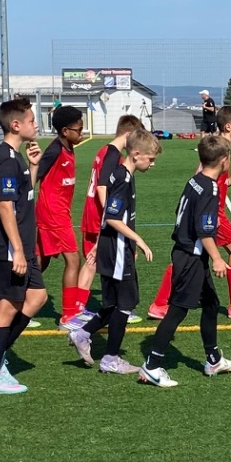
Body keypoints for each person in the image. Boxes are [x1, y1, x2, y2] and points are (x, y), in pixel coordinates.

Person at [147, 105, 231, 321]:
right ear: (228, 127)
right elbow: (201, 180)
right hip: (213, 213)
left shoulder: (220, 146)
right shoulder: (220, 149)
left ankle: (160, 303)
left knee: (191, 256)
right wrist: (206, 213)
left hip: (212, 210)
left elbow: (215, 183)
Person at [138, 133, 231, 387]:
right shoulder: (210, 189)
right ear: (224, 160)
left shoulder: (195, 180)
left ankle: (213, 359)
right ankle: (152, 366)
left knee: (211, 304)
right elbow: (204, 230)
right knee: (178, 311)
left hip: (191, 255)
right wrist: (217, 258)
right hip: (191, 257)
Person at [68, 129, 159, 374]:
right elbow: (112, 217)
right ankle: (110, 358)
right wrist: (138, 240)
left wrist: (99, 243)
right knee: (126, 303)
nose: (152, 164)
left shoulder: (121, 175)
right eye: (150, 159)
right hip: (117, 251)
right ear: (136, 154)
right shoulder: (123, 179)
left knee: (112, 304)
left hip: (111, 247)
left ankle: (82, 334)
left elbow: (108, 214)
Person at [0, 98, 48, 394]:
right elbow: (5, 207)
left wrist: (33, 167)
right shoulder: (6, 159)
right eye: (31, 120)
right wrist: (17, 250)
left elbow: (21, 196)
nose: (36, 125)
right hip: (10, 247)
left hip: (22, 245)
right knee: (8, 305)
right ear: (16, 125)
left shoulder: (15, 157)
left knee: (37, 297)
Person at [74, 113, 144, 324]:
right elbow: (102, 187)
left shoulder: (105, 150)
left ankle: (86, 307)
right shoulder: (113, 155)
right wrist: (112, 216)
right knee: (97, 261)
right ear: (129, 135)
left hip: (94, 215)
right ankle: (112, 307)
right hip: (99, 217)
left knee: (94, 262)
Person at [35, 105, 89, 326]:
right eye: (79, 129)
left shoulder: (68, 147)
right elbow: (34, 175)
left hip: (58, 212)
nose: (82, 132)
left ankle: (17, 303)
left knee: (39, 262)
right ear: (65, 131)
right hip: (53, 214)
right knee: (73, 259)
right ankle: (68, 315)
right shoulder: (55, 150)